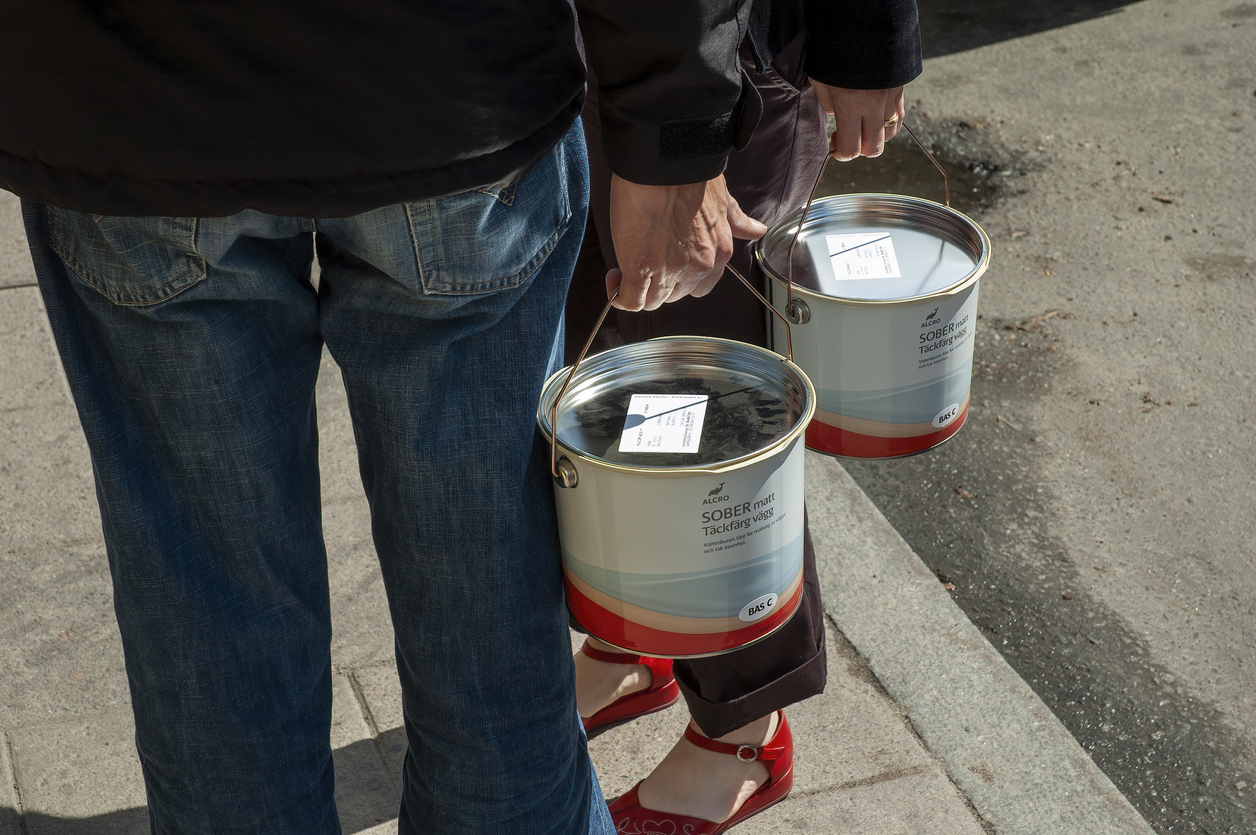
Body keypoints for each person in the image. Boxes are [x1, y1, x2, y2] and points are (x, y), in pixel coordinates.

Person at [0, 1, 774, 832]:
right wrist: (674, 125)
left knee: (212, 610)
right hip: (448, 97)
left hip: (129, 99)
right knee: (489, 625)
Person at [567, 1, 922, 832]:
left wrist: (868, 37)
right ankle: (637, 637)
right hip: (580, 47)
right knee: (606, 366)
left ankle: (743, 732)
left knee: (706, 401)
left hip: (724, 58)